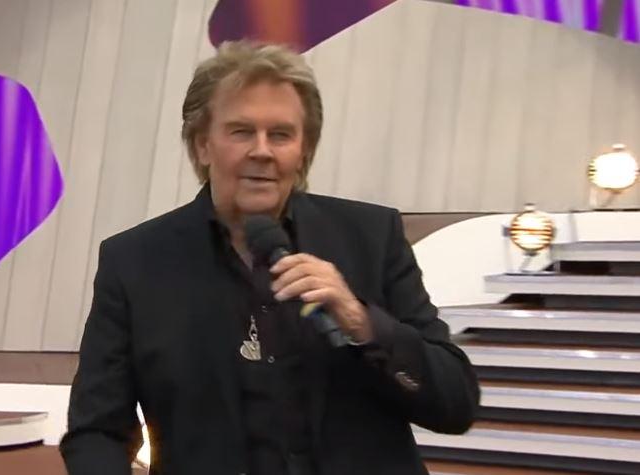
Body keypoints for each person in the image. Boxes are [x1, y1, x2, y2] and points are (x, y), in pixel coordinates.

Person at [60, 40, 479, 475]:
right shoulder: (134, 263)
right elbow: (96, 432)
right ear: (203, 145)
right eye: (241, 131)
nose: (262, 150)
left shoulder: (371, 238)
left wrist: (362, 322)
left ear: (303, 151)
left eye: (280, 134)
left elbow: (456, 405)